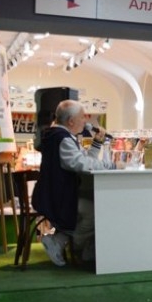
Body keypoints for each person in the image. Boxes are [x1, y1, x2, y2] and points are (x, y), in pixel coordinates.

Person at [34, 100, 117, 266]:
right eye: (82, 117)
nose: (85, 121)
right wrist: (112, 165)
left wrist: (96, 143)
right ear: (71, 121)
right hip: (58, 197)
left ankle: (81, 248)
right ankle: (60, 242)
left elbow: (83, 160)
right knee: (96, 213)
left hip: (55, 193)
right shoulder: (63, 139)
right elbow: (82, 165)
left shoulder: (57, 136)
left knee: (93, 204)